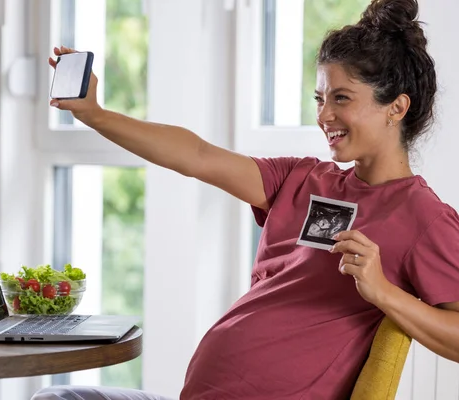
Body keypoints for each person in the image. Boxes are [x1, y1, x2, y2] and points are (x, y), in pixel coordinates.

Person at [32, 0, 459, 399]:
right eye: (320, 98)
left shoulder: (423, 217)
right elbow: (197, 156)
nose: (324, 115)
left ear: (396, 108)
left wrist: (384, 292)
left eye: (341, 98)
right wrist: (96, 115)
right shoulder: (303, 178)